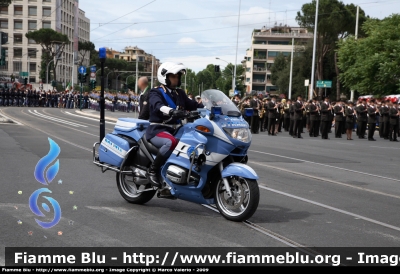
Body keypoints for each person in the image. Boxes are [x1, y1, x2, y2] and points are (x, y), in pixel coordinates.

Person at [145, 62, 203, 188]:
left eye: (177, 76)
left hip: (176, 129)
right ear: (164, 77)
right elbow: (157, 105)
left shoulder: (180, 93)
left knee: (196, 138)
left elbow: (193, 105)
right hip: (158, 129)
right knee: (170, 142)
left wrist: (211, 107)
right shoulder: (156, 92)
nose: (176, 79)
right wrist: (171, 111)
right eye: (173, 76)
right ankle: (153, 170)